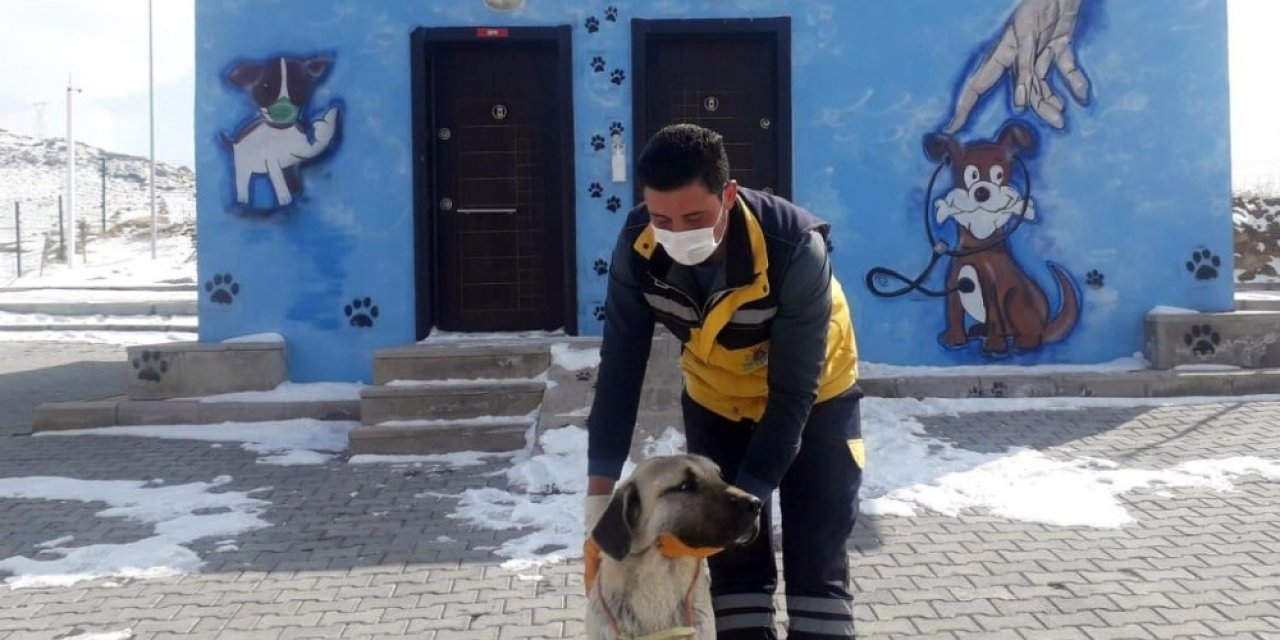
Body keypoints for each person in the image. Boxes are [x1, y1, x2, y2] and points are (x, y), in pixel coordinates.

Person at [583, 123, 866, 640]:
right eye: (663, 219)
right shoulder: (637, 245)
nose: (677, 232)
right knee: (735, 573)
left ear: (728, 195)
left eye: (694, 218)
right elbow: (620, 367)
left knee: (816, 556)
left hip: (817, 398)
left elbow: (792, 396)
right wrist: (596, 511)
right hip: (717, 399)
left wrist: (740, 506)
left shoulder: (793, 248)